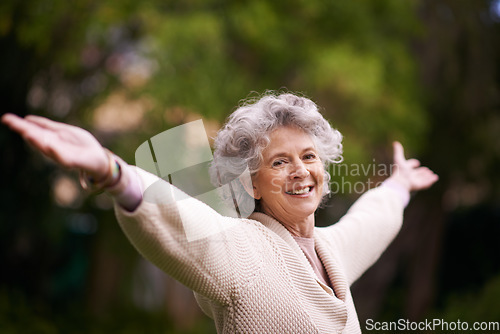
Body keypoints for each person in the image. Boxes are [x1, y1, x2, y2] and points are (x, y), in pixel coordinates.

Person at [2, 93, 438, 333]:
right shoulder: (242, 251)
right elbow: (179, 216)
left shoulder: (330, 249)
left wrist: (399, 184)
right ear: (251, 184)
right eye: (280, 162)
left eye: (309, 156)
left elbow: (371, 221)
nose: (301, 170)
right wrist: (113, 172)